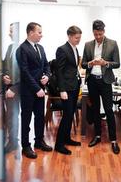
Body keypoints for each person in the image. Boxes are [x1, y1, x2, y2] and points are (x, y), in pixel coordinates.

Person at [81, 20, 120, 154]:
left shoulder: (113, 43)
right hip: (92, 80)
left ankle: (113, 140)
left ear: (104, 31)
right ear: (93, 32)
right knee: (95, 109)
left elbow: (117, 64)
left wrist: (105, 63)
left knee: (109, 110)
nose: (98, 36)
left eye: (100, 33)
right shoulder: (87, 45)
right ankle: (97, 136)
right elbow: (83, 64)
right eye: (96, 34)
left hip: (106, 81)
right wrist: (90, 63)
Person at [17, 22, 53, 159]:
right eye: (39, 32)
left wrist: (47, 76)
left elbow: (46, 65)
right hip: (28, 91)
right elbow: (24, 72)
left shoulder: (41, 48)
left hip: (40, 90)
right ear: (31, 32)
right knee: (26, 119)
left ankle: (39, 141)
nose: (41, 35)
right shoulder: (22, 49)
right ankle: (26, 146)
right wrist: (37, 88)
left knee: (40, 117)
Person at [55, 25, 82, 155]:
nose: (79, 40)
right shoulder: (62, 49)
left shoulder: (74, 48)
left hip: (75, 86)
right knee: (66, 116)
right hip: (67, 88)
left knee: (70, 114)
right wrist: (62, 90)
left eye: (79, 37)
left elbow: (73, 68)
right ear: (70, 36)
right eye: (77, 38)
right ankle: (59, 145)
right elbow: (59, 71)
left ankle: (67, 138)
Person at [3, 23, 20, 153]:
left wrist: (13, 88)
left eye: (11, 31)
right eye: (9, 31)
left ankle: (15, 142)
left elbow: (25, 72)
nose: (9, 34)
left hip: (18, 87)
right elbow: (5, 66)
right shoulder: (10, 47)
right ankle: (12, 140)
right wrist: (4, 76)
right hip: (9, 86)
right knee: (10, 115)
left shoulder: (23, 48)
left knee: (15, 115)